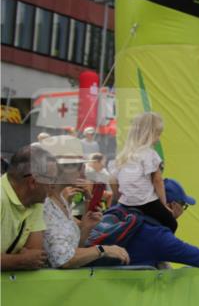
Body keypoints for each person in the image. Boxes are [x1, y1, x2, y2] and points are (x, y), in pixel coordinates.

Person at [41, 136, 130, 268]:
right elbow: (63, 260)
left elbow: (72, 250)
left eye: (82, 165)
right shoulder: (45, 203)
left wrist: (85, 228)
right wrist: (102, 250)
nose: (83, 170)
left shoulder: (60, 199)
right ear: (56, 169)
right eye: (76, 166)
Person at [109, 112, 177, 233]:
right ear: (149, 134)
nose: (158, 138)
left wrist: (119, 198)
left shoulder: (124, 155)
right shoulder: (149, 154)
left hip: (126, 203)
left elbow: (112, 180)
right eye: (158, 134)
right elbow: (158, 181)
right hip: (145, 201)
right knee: (171, 223)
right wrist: (164, 204)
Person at [1, 145, 55, 270]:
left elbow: (35, 254)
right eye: (51, 180)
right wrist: (18, 260)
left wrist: (8, 260)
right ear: (33, 182)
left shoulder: (34, 201)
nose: (53, 186)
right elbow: (28, 258)